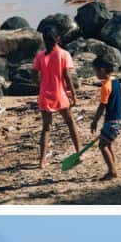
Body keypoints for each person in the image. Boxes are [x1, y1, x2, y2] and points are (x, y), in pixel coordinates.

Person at [33, 24, 81, 169]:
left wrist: (41, 85)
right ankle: (79, 151)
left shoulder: (40, 56)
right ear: (58, 39)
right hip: (59, 94)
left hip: (44, 95)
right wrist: (73, 94)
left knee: (46, 128)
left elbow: (33, 74)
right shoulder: (63, 54)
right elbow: (66, 76)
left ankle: (42, 161)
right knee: (70, 123)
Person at [91, 54, 121, 181]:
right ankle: (113, 167)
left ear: (102, 70)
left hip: (111, 120)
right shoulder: (116, 82)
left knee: (102, 146)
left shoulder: (105, 86)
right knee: (108, 144)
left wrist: (95, 121)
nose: (95, 74)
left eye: (95, 71)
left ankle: (112, 171)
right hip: (119, 118)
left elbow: (102, 106)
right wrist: (119, 110)